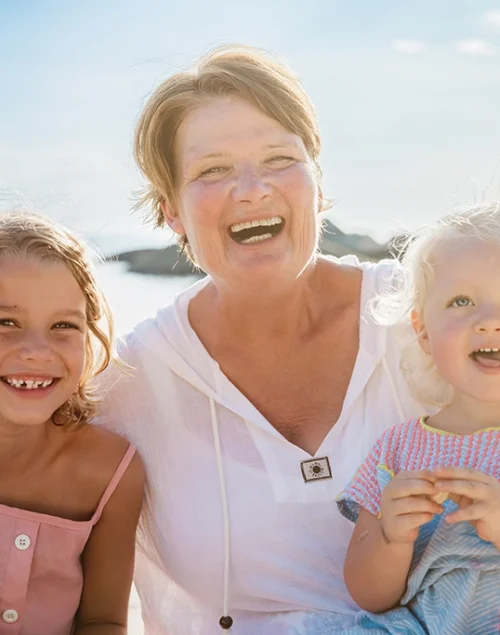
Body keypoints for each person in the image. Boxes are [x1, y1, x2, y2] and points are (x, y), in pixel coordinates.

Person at [96, 45, 428, 635]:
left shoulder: (425, 318)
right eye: (212, 169)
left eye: (278, 158)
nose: (251, 189)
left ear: (318, 185)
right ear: (170, 210)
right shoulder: (129, 381)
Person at [336, 204, 500, 635]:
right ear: (424, 332)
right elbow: (370, 595)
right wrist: (392, 539)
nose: (490, 322)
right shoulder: (400, 449)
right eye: (461, 301)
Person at [0, 212, 145, 635]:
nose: (35, 350)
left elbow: (103, 621)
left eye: (64, 325)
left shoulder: (111, 472)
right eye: (5, 322)